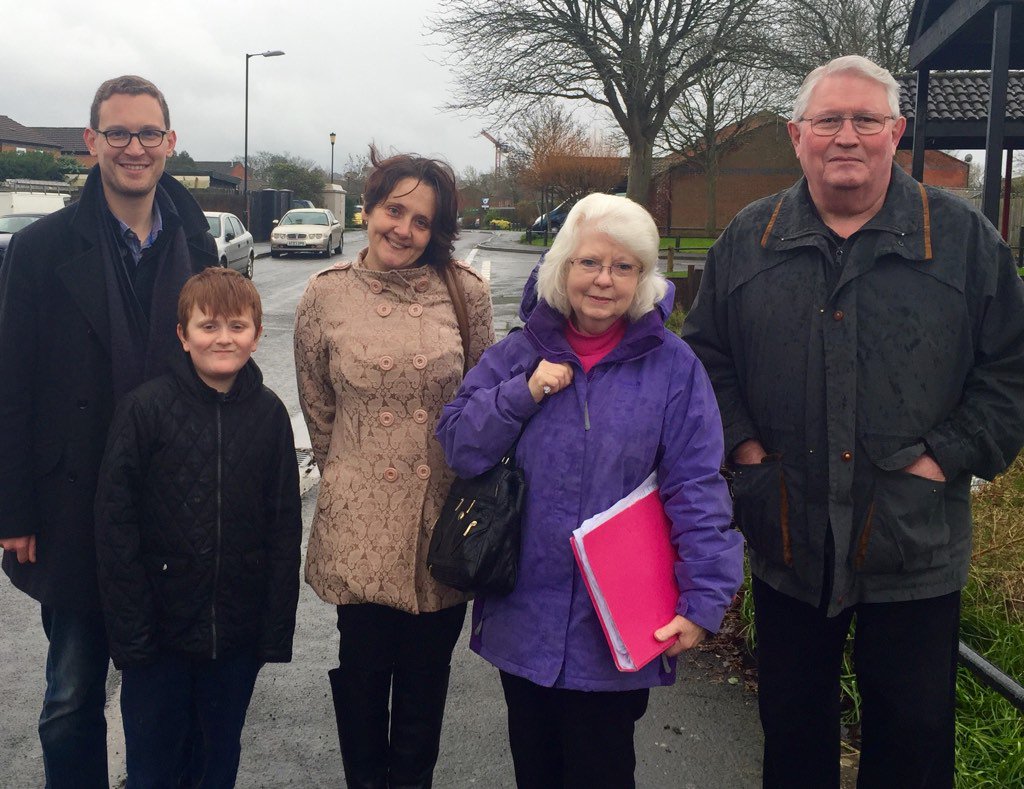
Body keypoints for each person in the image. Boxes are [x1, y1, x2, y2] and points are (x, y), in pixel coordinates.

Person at [682, 55, 1024, 788]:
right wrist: (743, 450)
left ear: (896, 133)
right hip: (787, 534)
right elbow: (705, 359)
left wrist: (944, 458)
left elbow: (1010, 373)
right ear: (796, 135)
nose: (846, 135)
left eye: (865, 119)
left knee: (914, 730)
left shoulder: (963, 242)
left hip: (915, 538)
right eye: (828, 120)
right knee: (793, 726)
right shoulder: (751, 239)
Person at [437, 193, 744, 788]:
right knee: (536, 770)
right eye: (589, 263)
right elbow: (459, 443)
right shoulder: (520, 353)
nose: (604, 279)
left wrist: (703, 599)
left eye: (624, 266)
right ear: (562, 269)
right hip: (524, 613)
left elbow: (696, 487)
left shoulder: (675, 368)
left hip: (617, 625)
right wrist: (520, 394)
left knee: (602, 769)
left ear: (643, 279)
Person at [0, 75, 217, 788]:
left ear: (170, 144)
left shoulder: (197, 244)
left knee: (162, 699)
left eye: (148, 133)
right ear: (91, 142)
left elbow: (221, 374)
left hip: (172, 508)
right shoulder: (37, 250)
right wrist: (15, 509)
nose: (134, 147)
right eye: (117, 133)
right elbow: (13, 384)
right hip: (71, 506)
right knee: (69, 697)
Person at [293, 148, 495, 788]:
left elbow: (483, 403)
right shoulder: (326, 295)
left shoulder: (465, 293)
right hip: (358, 523)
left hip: (441, 520)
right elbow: (317, 403)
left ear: (438, 232)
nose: (403, 229)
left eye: (421, 221)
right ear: (369, 209)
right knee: (361, 670)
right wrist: (348, 470)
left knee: (425, 682)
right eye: (393, 210)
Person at [93, 267, 301, 788]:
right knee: (155, 766)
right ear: (183, 336)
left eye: (237, 325)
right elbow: (115, 526)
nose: (223, 338)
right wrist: (132, 636)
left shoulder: (270, 415)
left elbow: (283, 528)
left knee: (215, 762)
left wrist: (272, 631)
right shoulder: (145, 410)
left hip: (235, 638)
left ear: (256, 335)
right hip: (158, 638)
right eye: (208, 326)